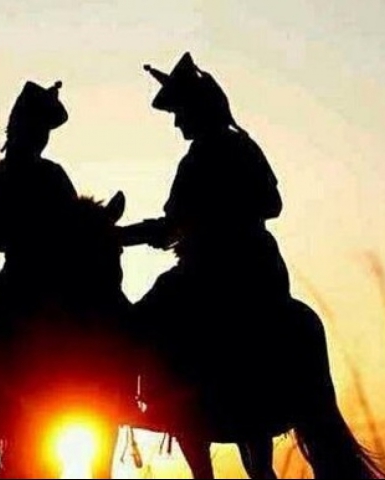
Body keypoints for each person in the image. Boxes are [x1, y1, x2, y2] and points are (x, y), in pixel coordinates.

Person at [125, 52, 293, 446]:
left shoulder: (198, 158)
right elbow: (273, 204)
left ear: (195, 109)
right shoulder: (245, 146)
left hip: (212, 269)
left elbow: (170, 226)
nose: (177, 122)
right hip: (263, 266)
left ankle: (158, 404)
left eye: (179, 112)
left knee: (144, 318)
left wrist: (118, 236)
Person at [0, 80, 80, 478]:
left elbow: (74, 229)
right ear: (24, 128)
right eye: (39, 128)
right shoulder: (24, 177)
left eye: (46, 130)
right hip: (32, 277)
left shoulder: (39, 175)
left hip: (33, 277)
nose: (43, 137)